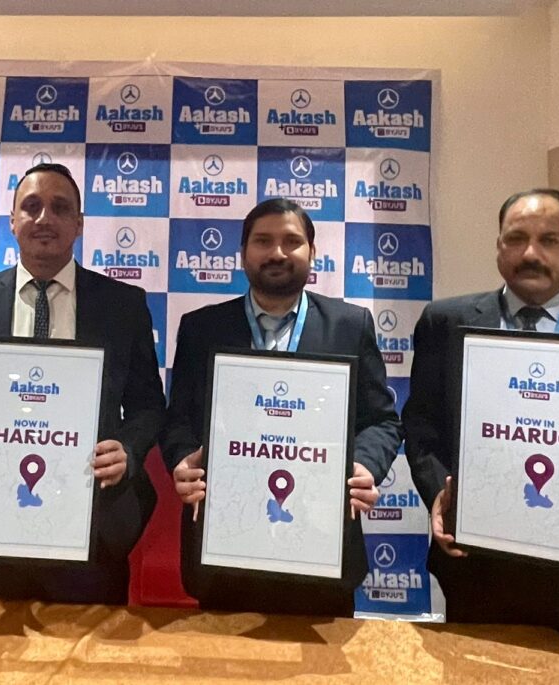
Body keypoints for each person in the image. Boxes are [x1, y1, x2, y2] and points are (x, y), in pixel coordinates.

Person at [402, 188, 559, 684]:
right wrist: (442, 493)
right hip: (478, 576)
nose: (530, 253)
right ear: (498, 247)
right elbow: (422, 428)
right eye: (515, 239)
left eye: (549, 240)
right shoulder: (445, 323)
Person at [0, 162, 165, 605]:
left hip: (94, 524)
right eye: (32, 206)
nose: (44, 218)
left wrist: (128, 450)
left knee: (90, 645)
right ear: (11, 221)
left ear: (79, 223)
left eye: (60, 208)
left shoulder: (124, 305)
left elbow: (148, 406)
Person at [161, 198, 403, 615]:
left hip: (323, 544)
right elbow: (178, 420)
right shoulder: (201, 328)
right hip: (225, 549)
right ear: (243, 253)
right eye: (263, 241)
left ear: (313, 252)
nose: (277, 252)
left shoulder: (350, 325)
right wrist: (183, 459)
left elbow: (382, 420)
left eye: (291, 241)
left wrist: (364, 464)